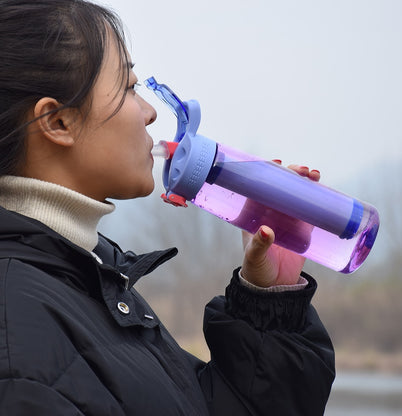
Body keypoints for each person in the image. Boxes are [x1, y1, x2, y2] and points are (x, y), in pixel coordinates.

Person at [0, 0, 335, 414]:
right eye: (128, 87)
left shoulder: (86, 279)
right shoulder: (18, 334)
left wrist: (269, 300)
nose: (151, 112)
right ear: (57, 122)